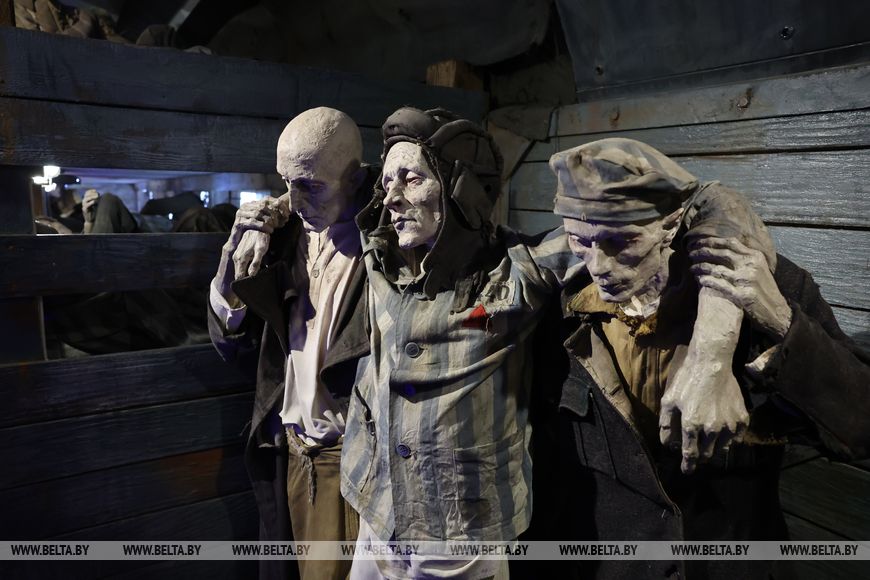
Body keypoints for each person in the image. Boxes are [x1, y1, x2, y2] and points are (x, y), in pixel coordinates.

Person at [548, 138, 870, 579]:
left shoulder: (761, 284)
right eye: (580, 240)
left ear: (669, 224)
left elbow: (861, 425)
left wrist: (779, 320)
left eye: (621, 241)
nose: (599, 264)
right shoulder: (564, 305)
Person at [342, 107, 586, 580]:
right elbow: (319, 183)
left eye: (412, 179)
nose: (391, 197)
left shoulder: (515, 271)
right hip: (378, 508)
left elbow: (639, 219)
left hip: (459, 525)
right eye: (387, 182)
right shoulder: (379, 256)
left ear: (462, 188)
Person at [208, 107, 372, 580]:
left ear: (355, 179)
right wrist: (232, 263)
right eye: (286, 183)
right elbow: (230, 342)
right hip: (289, 453)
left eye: (311, 186)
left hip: (354, 461)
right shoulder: (283, 238)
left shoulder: (383, 243)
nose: (296, 200)